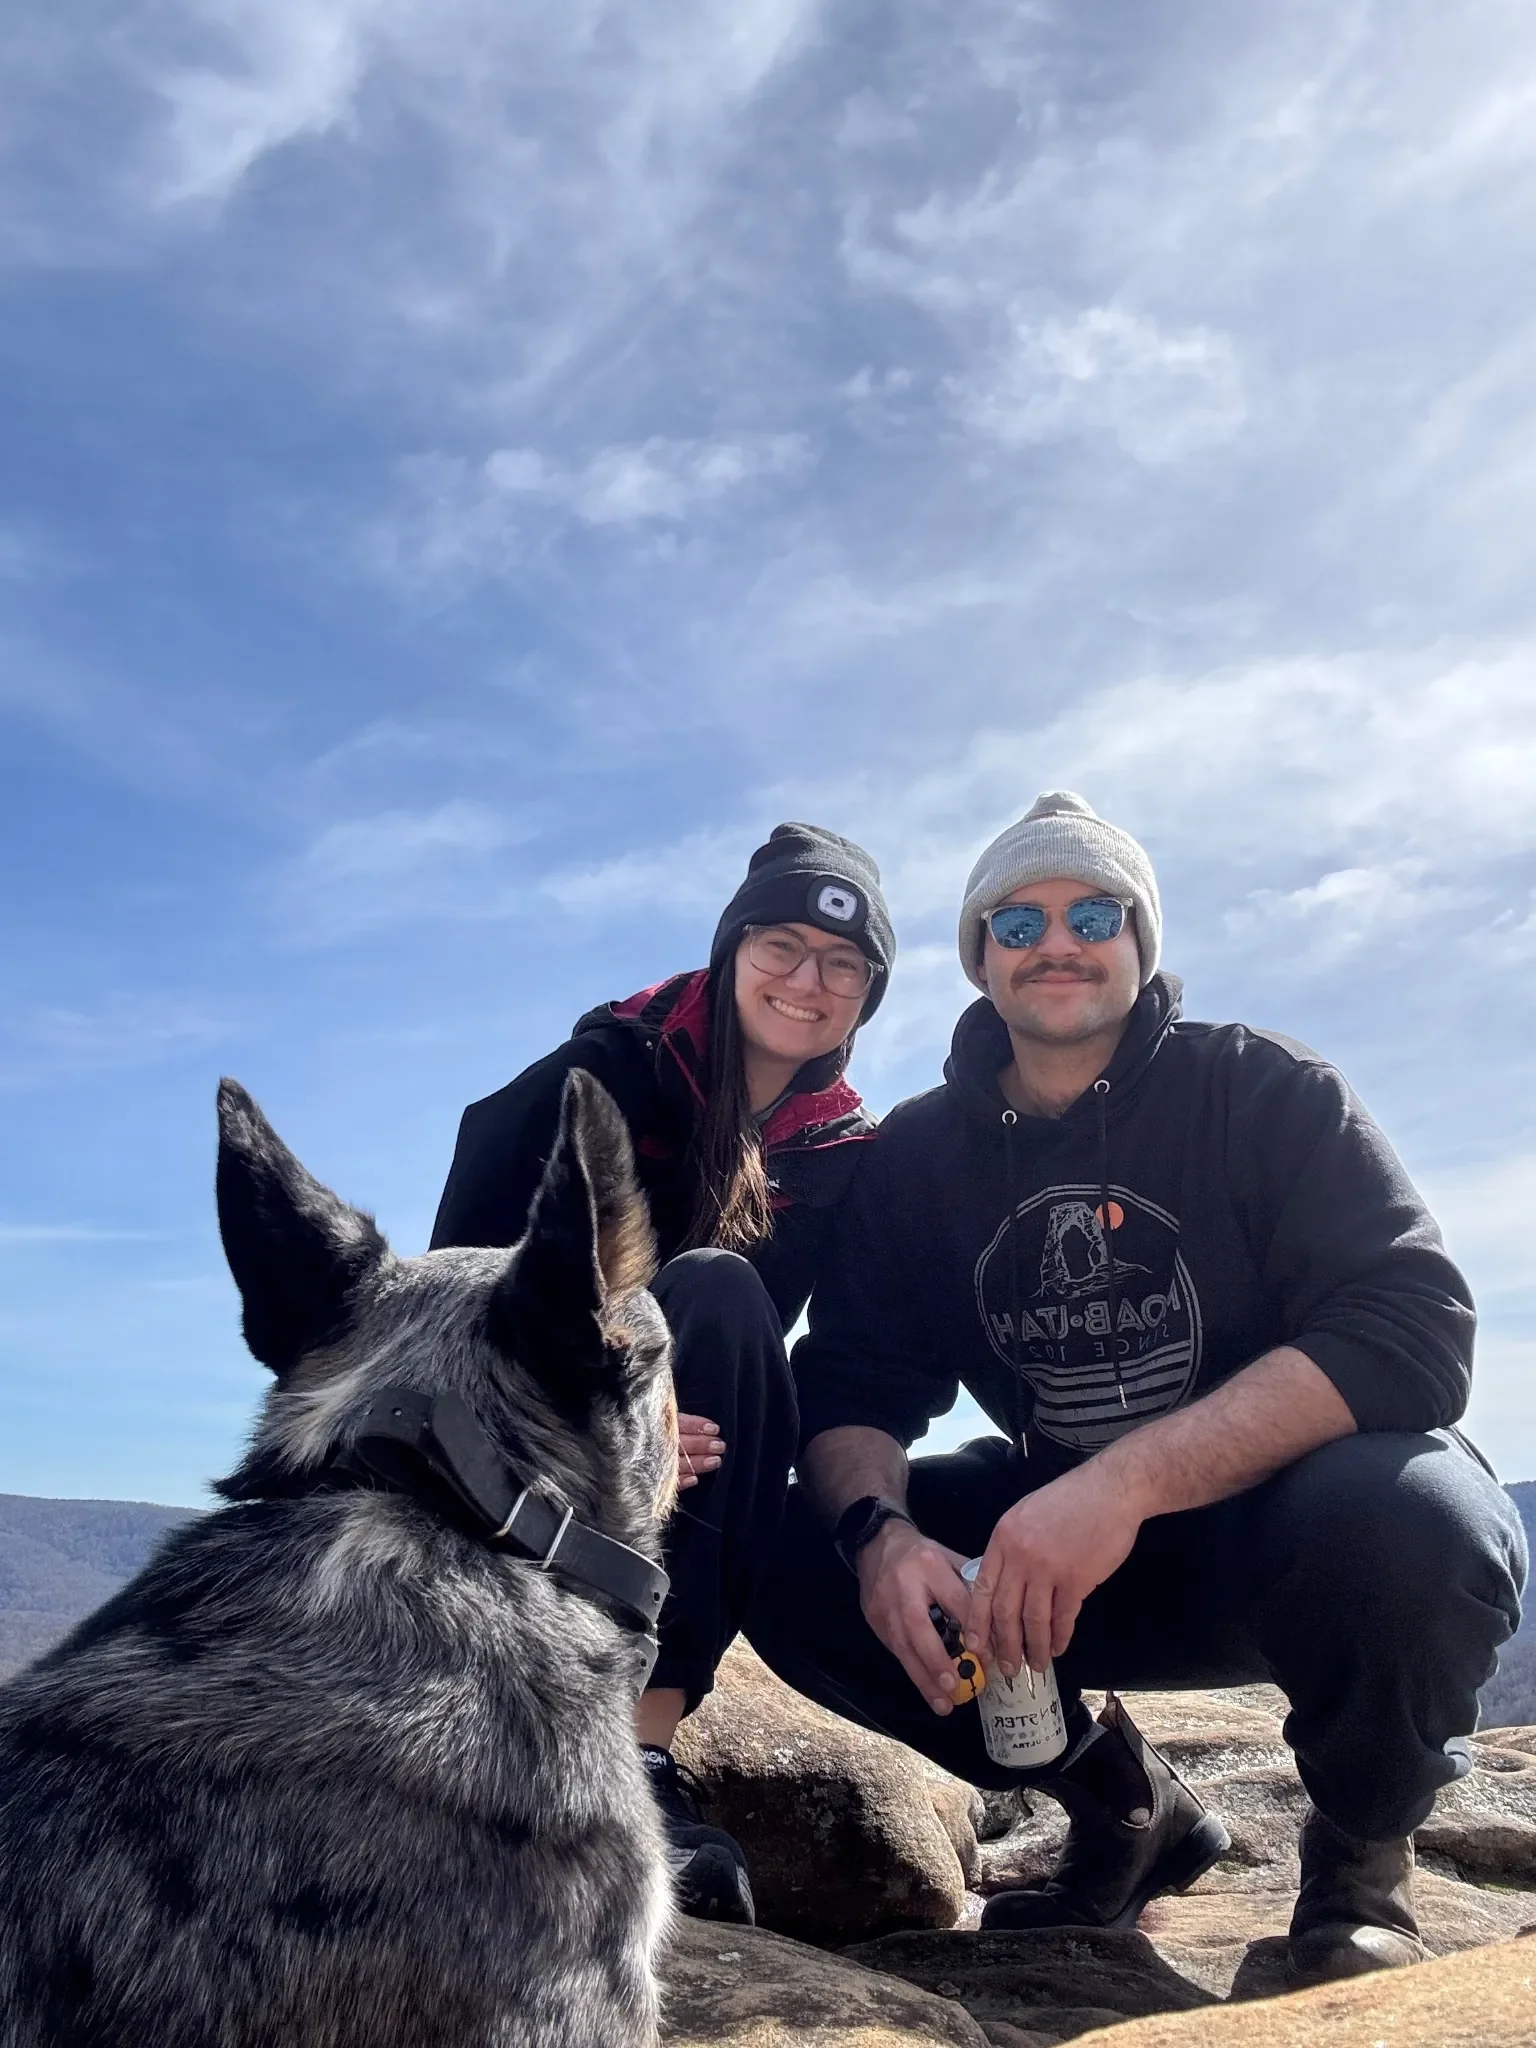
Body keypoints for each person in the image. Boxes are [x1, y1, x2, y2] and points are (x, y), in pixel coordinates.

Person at [747, 789, 1527, 1986]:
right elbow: (852, 1378)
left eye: (1092, 910)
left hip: (1292, 1532)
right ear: (979, 957)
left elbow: (1412, 1329)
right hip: (1069, 1575)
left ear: (1139, 937)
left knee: (1420, 1513)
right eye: (1017, 921)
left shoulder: (1264, 1090)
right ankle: (1122, 1803)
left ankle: (1358, 1870)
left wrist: (1123, 1481)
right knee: (785, 1542)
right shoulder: (921, 1157)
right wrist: (879, 1534)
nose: (1056, 941)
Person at [430, 823, 894, 1924]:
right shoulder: (608, 1070)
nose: (807, 979)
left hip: (685, 1450)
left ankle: (639, 1757)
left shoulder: (837, 1154)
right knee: (708, 1294)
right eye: (781, 944)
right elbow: (458, 1279)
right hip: (522, 1429)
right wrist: (587, 1413)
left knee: (725, 1301)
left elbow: (800, 1355)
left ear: (867, 995)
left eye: (842, 963)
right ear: (732, 948)